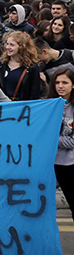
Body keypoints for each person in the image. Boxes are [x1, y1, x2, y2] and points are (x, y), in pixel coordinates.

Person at [46, 68, 74, 222]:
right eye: (57, 82)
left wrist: (50, 139)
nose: (60, 86)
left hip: (69, 165)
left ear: (73, 85)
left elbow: (72, 142)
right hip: (49, 164)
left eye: (65, 82)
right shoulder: (47, 105)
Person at [0, 31, 44, 101]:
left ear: (21, 47)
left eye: (12, 45)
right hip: (3, 106)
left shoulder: (32, 68)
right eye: (7, 44)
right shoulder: (1, 64)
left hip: (22, 107)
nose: (7, 47)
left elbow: (34, 93)